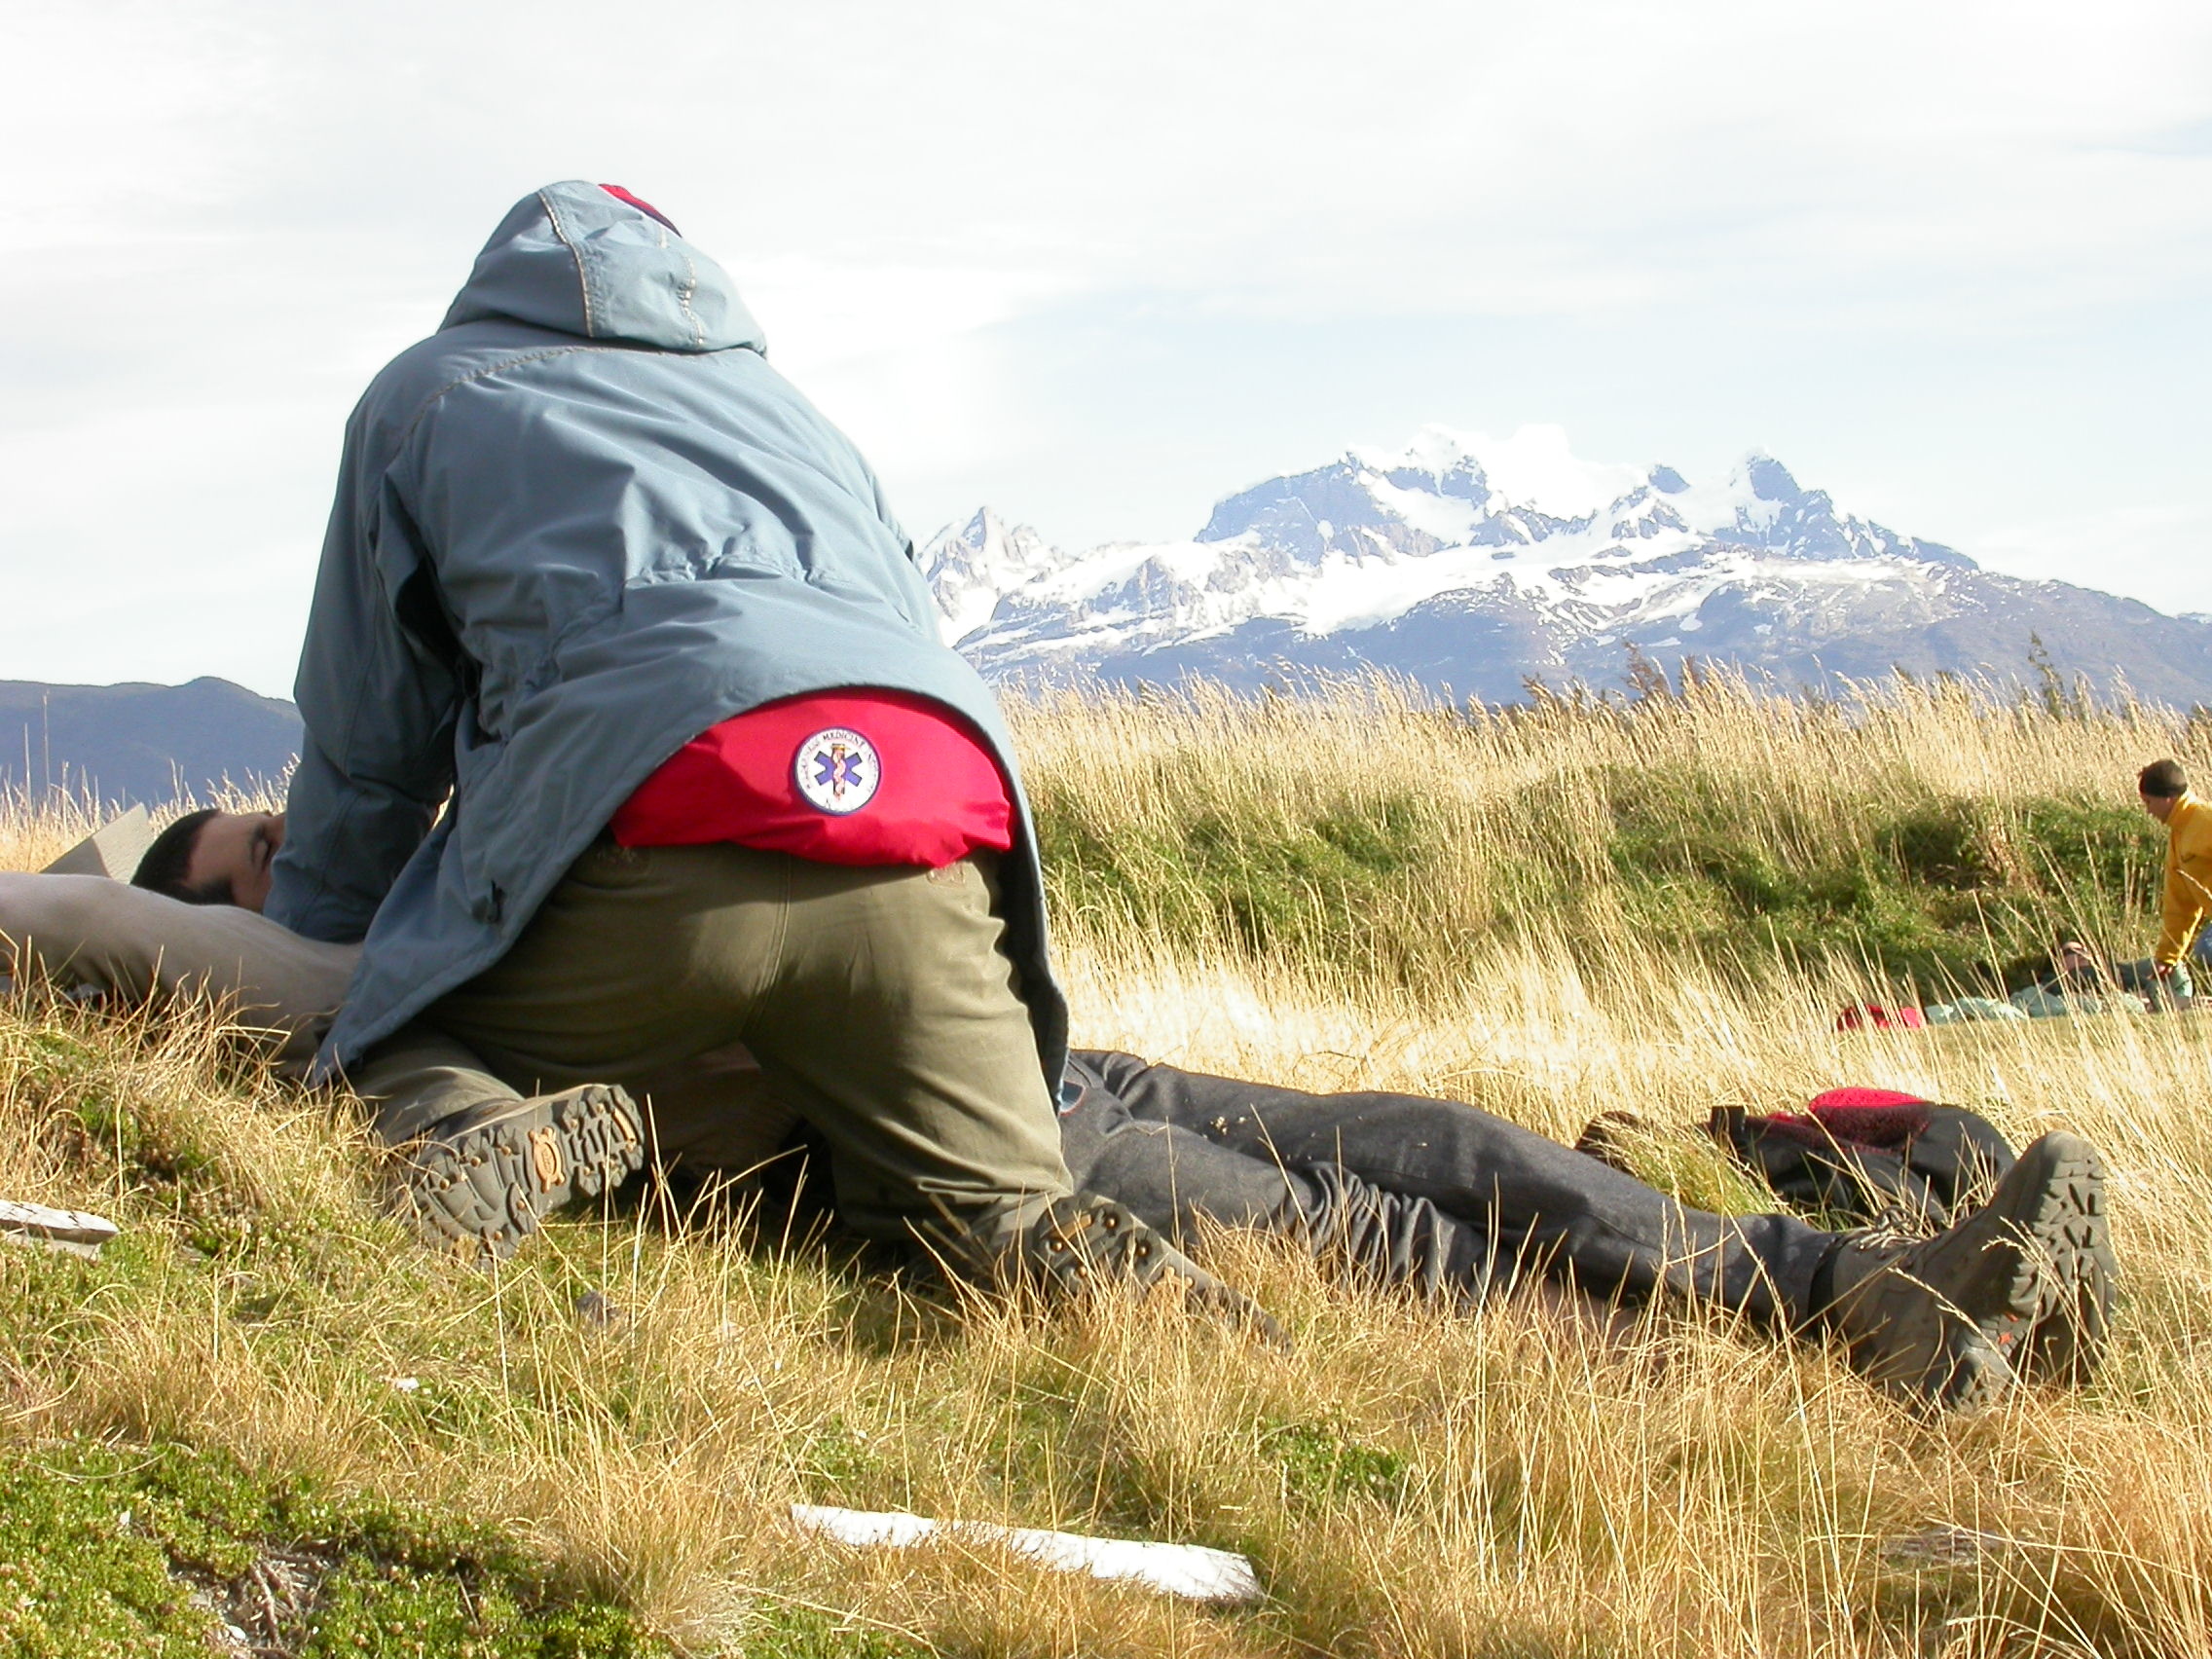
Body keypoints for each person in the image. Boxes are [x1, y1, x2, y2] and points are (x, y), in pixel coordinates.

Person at [1, 811, 2120, 1413]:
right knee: (1362, 1244)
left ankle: (1863, 1278)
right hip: (923, 1128)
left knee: (1435, 1134)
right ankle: (1846, 1346)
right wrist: (114, 893)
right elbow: (87, 931)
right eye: (243, 865)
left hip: (1038, 1047)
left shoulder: (496, 845)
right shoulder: (376, 995)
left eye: (276, 829)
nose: (283, 857)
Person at [261, 180, 1239, 1315]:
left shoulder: (423, 395)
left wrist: (318, 959)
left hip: (654, 817)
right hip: (922, 817)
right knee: (971, 1210)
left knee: (383, 1049)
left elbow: (368, 741)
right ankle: (1021, 1230)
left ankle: (476, 1129)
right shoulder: (795, 413)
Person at [2128, 758, 2210, 1007]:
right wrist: (2167, 958)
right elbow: (2181, 907)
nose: (2148, 811)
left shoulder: (2205, 821)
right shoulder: (2179, 837)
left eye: (2148, 802)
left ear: (2168, 798)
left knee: (2207, 948)